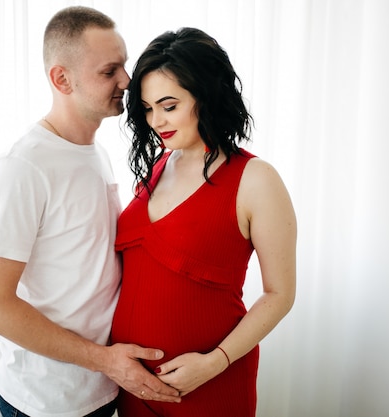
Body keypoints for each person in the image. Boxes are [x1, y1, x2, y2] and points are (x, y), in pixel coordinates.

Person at [0, 6, 181, 417]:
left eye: (125, 65)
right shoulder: (22, 168)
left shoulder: (94, 152)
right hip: (48, 403)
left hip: (101, 391)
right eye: (110, 71)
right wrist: (106, 361)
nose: (127, 81)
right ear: (61, 79)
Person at [110, 27, 297, 416]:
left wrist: (215, 362)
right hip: (136, 385)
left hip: (208, 383)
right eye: (146, 108)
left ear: (206, 97)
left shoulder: (256, 179)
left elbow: (280, 294)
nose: (156, 121)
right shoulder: (161, 164)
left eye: (169, 105)